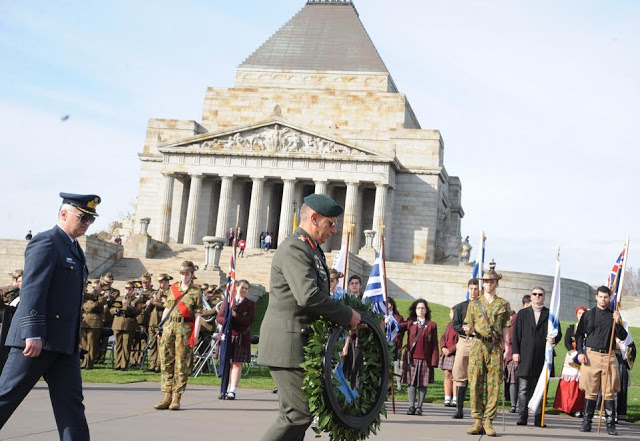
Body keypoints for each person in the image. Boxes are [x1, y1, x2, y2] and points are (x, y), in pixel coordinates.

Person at [258, 193, 360, 441]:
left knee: (297, 413)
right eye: (330, 223)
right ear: (314, 218)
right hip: (287, 342)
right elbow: (309, 296)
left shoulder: (311, 250)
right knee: (297, 414)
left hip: (299, 342)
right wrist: (347, 315)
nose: (334, 230)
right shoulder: (295, 248)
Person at [0, 192, 100, 439]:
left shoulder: (74, 248)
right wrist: (32, 332)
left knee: (71, 406)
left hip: (64, 344)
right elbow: (33, 288)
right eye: (83, 217)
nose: (87, 223)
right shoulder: (46, 242)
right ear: (64, 214)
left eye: (91, 219)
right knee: (6, 396)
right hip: (36, 342)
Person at [463, 260, 511, 437]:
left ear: (497, 283)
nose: (488, 284)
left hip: (495, 346)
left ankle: (489, 421)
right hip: (477, 345)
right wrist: (468, 328)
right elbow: (467, 323)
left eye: (491, 281)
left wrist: (507, 346)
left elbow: (506, 327)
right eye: (486, 281)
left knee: (493, 385)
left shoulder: (503, 304)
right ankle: (477, 420)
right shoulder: (474, 304)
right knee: (475, 382)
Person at [576, 286, 627, 435]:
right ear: (596, 297)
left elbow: (623, 337)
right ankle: (587, 422)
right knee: (590, 391)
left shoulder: (614, 315)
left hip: (608, 356)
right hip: (591, 356)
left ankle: (611, 424)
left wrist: (618, 323)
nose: (603, 300)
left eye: (606, 297)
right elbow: (579, 334)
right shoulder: (588, 315)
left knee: (609, 391)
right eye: (601, 297)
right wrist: (580, 352)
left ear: (609, 298)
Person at [154, 261, 202, 411]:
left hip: (185, 328)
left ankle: (176, 397)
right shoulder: (173, 288)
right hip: (169, 327)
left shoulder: (196, 291)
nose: (183, 276)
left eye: (186, 274)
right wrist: (160, 327)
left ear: (192, 275)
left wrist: (195, 334)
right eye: (182, 273)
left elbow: (198, 315)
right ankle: (166, 395)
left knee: (181, 364)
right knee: (166, 362)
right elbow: (168, 308)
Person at [512, 286, 562, 427]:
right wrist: (515, 352)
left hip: (543, 358)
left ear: (544, 297)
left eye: (540, 294)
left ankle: (539, 418)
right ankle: (522, 417)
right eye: (535, 294)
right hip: (525, 356)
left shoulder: (550, 314)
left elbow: (558, 333)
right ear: (531, 296)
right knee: (523, 389)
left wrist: (554, 339)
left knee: (540, 390)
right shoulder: (522, 313)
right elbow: (516, 335)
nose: (537, 296)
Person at [216, 279, 255, 399]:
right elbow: (219, 318)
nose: (244, 290)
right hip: (227, 335)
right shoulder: (228, 302)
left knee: (236, 363)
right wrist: (227, 320)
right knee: (226, 362)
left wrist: (235, 316)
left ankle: (232, 390)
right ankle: (224, 389)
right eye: (242, 287)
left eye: (246, 288)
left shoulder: (250, 304)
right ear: (236, 287)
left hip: (241, 336)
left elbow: (249, 320)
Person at [400, 299, 439, 416]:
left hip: (425, 359)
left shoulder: (431, 325)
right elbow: (397, 326)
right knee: (411, 383)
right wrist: (388, 320)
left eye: (422, 308)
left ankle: (419, 407)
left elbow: (434, 344)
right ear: (415, 310)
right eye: (418, 308)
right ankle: (411, 406)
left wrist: (434, 360)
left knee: (422, 384)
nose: (420, 310)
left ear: (426, 310)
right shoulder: (410, 323)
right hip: (411, 358)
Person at [450, 278, 480, 419]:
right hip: (464, 341)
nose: (473, 292)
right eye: (471, 289)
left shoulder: (483, 307)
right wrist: (464, 329)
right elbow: (455, 324)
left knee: (478, 376)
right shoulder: (461, 307)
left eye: (476, 289)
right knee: (460, 375)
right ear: (468, 289)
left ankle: (477, 410)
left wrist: (476, 330)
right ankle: (459, 409)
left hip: (479, 342)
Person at [553, 305, 587, 417]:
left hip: (584, 358)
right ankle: (566, 405)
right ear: (576, 315)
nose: (581, 315)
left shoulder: (589, 328)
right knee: (568, 382)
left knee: (580, 383)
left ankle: (578, 407)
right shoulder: (571, 327)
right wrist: (575, 352)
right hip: (572, 357)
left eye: (583, 313)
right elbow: (567, 341)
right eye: (579, 313)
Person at [110, 281, 142, 370]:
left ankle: (124, 365)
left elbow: (138, 311)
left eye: (129, 289)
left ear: (133, 290)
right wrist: (116, 310)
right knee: (118, 345)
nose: (127, 291)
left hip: (129, 324)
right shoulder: (119, 298)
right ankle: (118, 364)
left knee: (126, 345)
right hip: (118, 322)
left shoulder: (136, 299)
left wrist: (127, 306)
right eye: (126, 289)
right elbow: (111, 309)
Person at [146, 274, 171, 373]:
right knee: (152, 344)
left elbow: (166, 305)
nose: (160, 284)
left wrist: (155, 301)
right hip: (153, 321)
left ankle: (159, 365)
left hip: (162, 321)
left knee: (161, 345)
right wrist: (149, 302)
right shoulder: (156, 292)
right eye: (159, 282)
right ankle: (152, 364)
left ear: (166, 282)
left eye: (162, 282)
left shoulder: (170, 293)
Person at [80, 279, 106, 369]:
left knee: (91, 344)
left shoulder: (102, 297)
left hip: (94, 323)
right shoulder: (87, 296)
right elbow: (87, 306)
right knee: (84, 344)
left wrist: (98, 298)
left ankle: (89, 364)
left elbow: (93, 306)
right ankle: (84, 363)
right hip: (85, 322)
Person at [439, 308, 458, 407]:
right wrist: (443, 347)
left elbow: (461, 342)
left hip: (455, 354)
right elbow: (442, 337)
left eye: (452, 313)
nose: (450, 314)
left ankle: (455, 399)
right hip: (446, 353)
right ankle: (447, 398)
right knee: (447, 375)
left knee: (455, 377)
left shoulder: (460, 326)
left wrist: (450, 350)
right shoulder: (449, 325)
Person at [386, 296, 405, 391]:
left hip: (395, 346)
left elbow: (400, 332)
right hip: (383, 345)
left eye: (388, 304)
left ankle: (395, 385)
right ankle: (386, 385)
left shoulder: (398, 318)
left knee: (394, 366)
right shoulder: (381, 316)